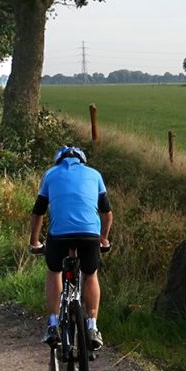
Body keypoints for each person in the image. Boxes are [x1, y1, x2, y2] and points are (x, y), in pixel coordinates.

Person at [29, 146, 113, 350]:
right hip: (89, 234)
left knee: (54, 271)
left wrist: (34, 242)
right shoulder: (94, 174)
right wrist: (103, 238)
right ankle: (92, 326)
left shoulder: (50, 174)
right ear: (82, 161)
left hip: (59, 235)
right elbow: (107, 213)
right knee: (90, 274)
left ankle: (52, 324)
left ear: (58, 160)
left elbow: (38, 212)